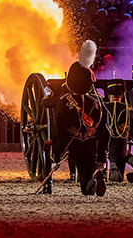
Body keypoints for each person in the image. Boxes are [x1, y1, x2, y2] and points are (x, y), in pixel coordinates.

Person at [41, 40, 108, 196]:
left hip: (72, 143)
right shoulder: (97, 102)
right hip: (92, 142)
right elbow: (103, 129)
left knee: (78, 165)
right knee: (88, 165)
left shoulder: (64, 102)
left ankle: (84, 182)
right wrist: (102, 157)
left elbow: (58, 129)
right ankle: (95, 174)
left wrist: (56, 157)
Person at [104, 79, 133, 182]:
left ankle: (106, 169)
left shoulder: (103, 107)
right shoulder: (128, 110)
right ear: (122, 94)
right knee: (122, 147)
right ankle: (124, 165)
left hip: (104, 143)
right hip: (121, 143)